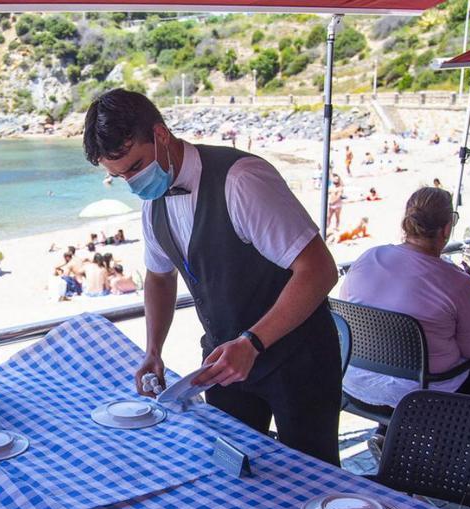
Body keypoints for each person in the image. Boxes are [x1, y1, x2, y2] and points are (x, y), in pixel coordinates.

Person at [82, 88, 341, 464]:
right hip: (223, 361)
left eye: (135, 167)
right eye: (120, 177)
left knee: (314, 480)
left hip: (299, 361)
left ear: (160, 135)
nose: (133, 183)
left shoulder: (242, 181)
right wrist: (153, 350)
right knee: (232, 471)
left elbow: (319, 269)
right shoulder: (152, 205)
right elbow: (159, 276)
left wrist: (252, 342)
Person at [341, 187, 470, 409]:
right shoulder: (459, 283)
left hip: (355, 380)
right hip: (420, 393)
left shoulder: (369, 257)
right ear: (447, 228)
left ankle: (387, 434)